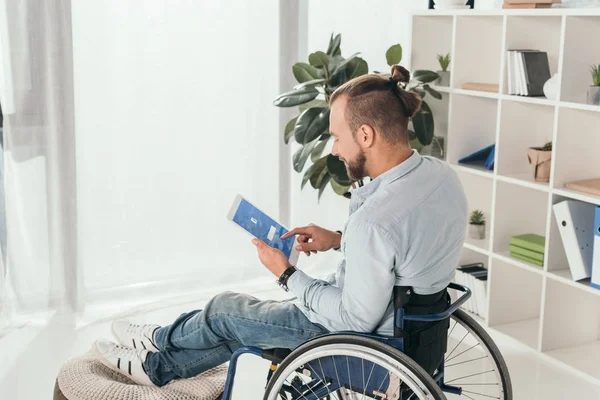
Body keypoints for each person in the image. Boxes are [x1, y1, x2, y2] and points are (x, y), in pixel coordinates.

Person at [93, 64, 468, 387]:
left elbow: (356, 317)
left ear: (366, 135)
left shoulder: (376, 220)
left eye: (337, 138)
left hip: (363, 345)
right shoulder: (439, 176)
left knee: (226, 311)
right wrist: (340, 240)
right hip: (418, 337)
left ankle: (157, 354)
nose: (334, 150)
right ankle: (161, 347)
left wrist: (287, 274)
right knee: (238, 322)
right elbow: (404, 240)